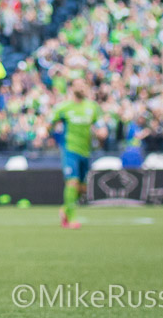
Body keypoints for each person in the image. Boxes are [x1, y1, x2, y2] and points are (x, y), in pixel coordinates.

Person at [49, 78, 103, 229]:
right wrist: (49, 134)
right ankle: (71, 218)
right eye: (78, 84)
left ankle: (65, 209)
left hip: (86, 151)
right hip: (69, 149)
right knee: (72, 182)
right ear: (72, 88)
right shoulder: (64, 107)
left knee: (82, 189)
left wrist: (101, 132)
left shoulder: (92, 107)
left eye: (84, 84)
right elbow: (50, 123)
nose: (81, 87)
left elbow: (100, 125)